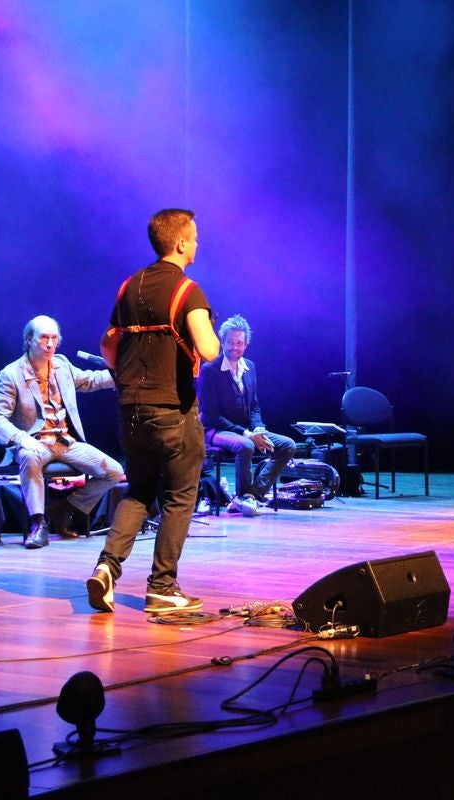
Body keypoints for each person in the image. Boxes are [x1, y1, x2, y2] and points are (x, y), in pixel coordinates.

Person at [85, 208, 219, 615]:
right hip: (172, 410)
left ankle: (106, 568)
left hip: (129, 407)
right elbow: (210, 349)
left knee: (140, 490)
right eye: (194, 237)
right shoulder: (188, 291)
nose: (197, 243)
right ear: (180, 243)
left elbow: (109, 346)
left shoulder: (129, 286)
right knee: (180, 497)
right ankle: (162, 587)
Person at [0, 315, 125, 549]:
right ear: (29, 340)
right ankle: (38, 524)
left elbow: (90, 380)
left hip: (66, 442)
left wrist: (119, 373)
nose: (50, 344)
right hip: (34, 443)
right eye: (44, 338)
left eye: (54, 338)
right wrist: (20, 438)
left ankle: (68, 508)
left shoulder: (62, 365)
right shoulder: (11, 374)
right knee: (29, 456)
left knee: (114, 471)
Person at [198, 314, 296, 516]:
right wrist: (247, 434)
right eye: (230, 342)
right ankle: (243, 496)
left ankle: (252, 495)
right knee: (247, 445)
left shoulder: (249, 367)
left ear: (246, 344)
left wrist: (258, 428)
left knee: (288, 445)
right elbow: (210, 416)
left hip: (246, 430)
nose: (235, 347)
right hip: (216, 430)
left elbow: (255, 407)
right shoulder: (210, 371)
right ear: (222, 342)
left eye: (239, 343)